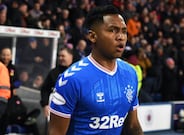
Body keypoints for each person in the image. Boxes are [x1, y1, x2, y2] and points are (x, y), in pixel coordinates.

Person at [49, 5, 143, 135]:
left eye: (124, 31)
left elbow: (133, 126)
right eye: (112, 30)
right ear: (93, 37)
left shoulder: (130, 73)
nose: (121, 37)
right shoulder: (72, 80)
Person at [40, 46, 74, 118]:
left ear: (70, 57)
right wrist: (45, 104)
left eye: (63, 56)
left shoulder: (77, 72)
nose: (60, 58)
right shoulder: (54, 73)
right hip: (57, 108)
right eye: (59, 56)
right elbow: (45, 89)